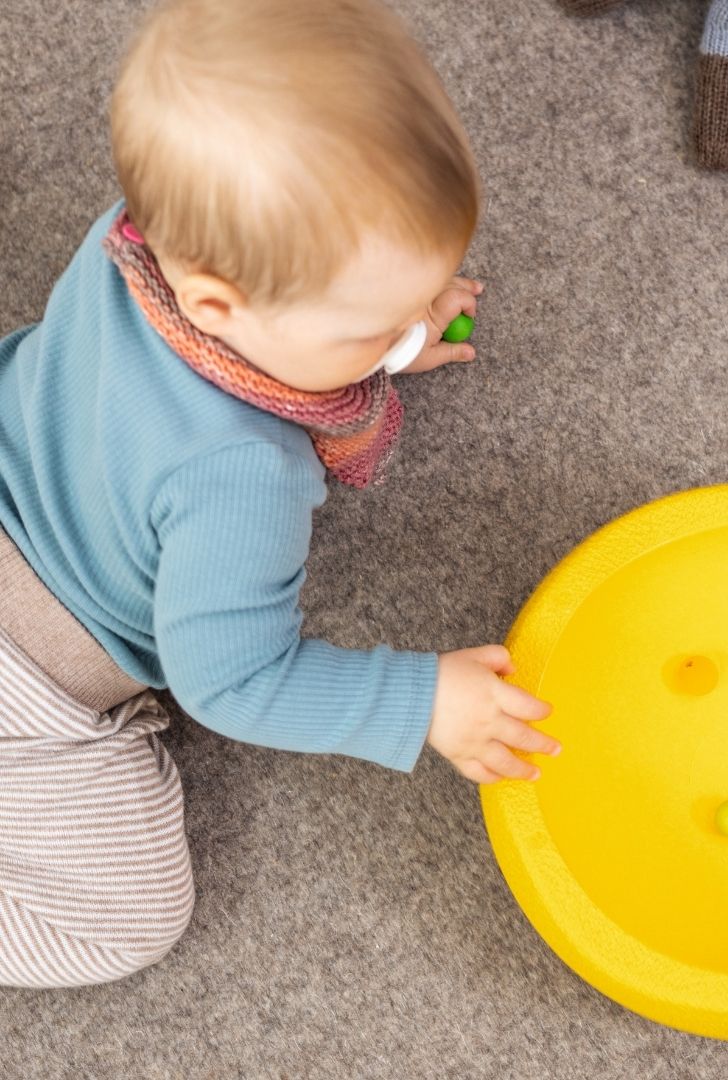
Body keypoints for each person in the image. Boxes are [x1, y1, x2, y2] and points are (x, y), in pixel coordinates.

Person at [0, 0, 558, 989]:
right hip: (26, 691)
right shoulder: (242, 478)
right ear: (220, 304)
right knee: (126, 921)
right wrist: (419, 700)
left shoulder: (131, 239)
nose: (410, 331)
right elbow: (235, 680)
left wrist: (383, 331)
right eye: (372, 328)